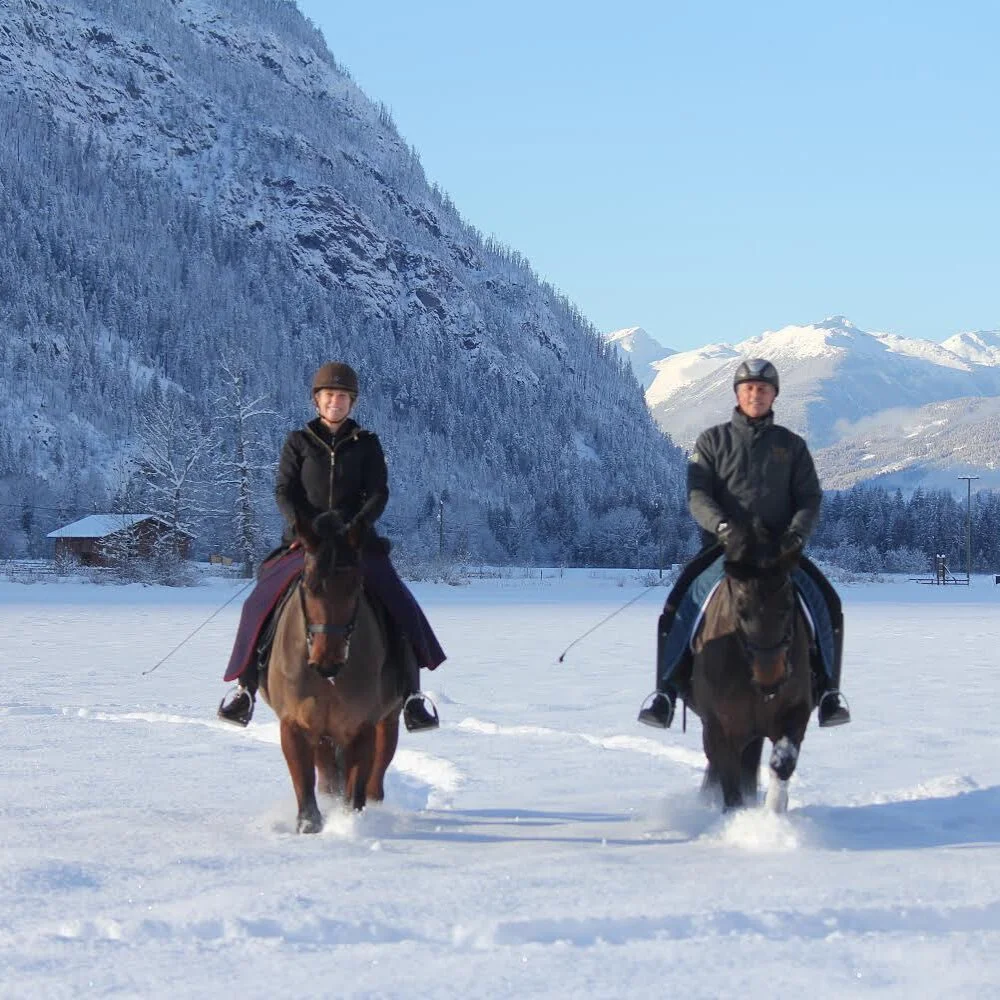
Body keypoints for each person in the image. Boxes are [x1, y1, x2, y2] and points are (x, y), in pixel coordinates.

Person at [218, 362, 445, 732]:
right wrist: (303, 527)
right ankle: (245, 688)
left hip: (355, 542)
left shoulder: (367, 443)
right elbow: (284, 491)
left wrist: (356, 526)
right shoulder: (298, 442)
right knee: (257, 601)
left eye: (341, 396)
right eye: (328, 396)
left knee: (400, 601)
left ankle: (411, 697)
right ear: (317, 401)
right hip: (305, 540)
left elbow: (377, 493)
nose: (335, 402)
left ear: (351, 402)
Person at [637, 357, 851, 730]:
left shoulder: (792, 446)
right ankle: (665, 693)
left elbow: (809, 498)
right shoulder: (713, 442)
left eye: (764, 389)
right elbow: (697, 495)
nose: (756, 394)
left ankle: (829, 691)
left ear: (774, 395)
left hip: (780, 554)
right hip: (725, 551)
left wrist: (795, 536)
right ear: (737, 393)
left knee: (828, 603)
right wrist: (722, 527)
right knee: (677, 605)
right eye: (749, 388)